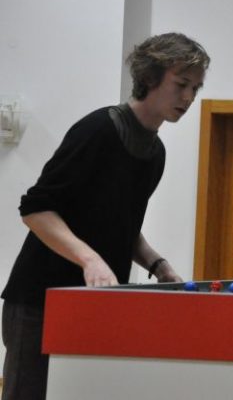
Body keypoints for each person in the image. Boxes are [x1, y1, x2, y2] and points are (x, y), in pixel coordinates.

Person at [1, 32, 210, 400]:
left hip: (96, 302)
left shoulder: (155, 153)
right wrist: (90, 259)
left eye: (195, 88)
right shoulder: (98, 129)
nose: (189, 98)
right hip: (39, 302)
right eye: (181, 85)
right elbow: (36, 209)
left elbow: (122, 226)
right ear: (150, 77)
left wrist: (158, 264)